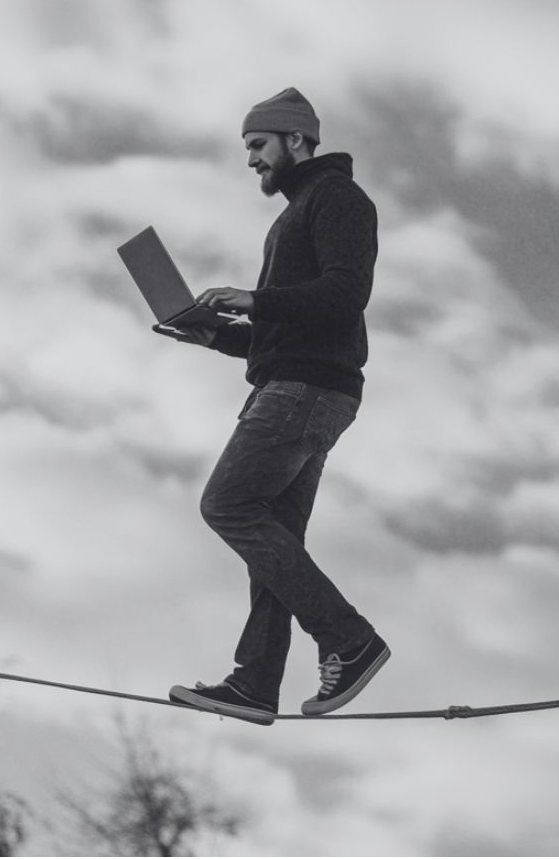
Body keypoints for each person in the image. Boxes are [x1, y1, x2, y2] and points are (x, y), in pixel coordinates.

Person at [161, 87, 388, 725]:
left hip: (303, 392)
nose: (251, 160)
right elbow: (290, 330)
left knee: (227, 506)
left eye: (258, 144)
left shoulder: (337, 197)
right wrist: (217, 336)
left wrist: (255, 301)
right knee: (275, 538)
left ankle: (349, 639)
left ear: (296, 140)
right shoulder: (293, 215)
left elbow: (346, 293)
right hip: (300, 386)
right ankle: (257, 683)